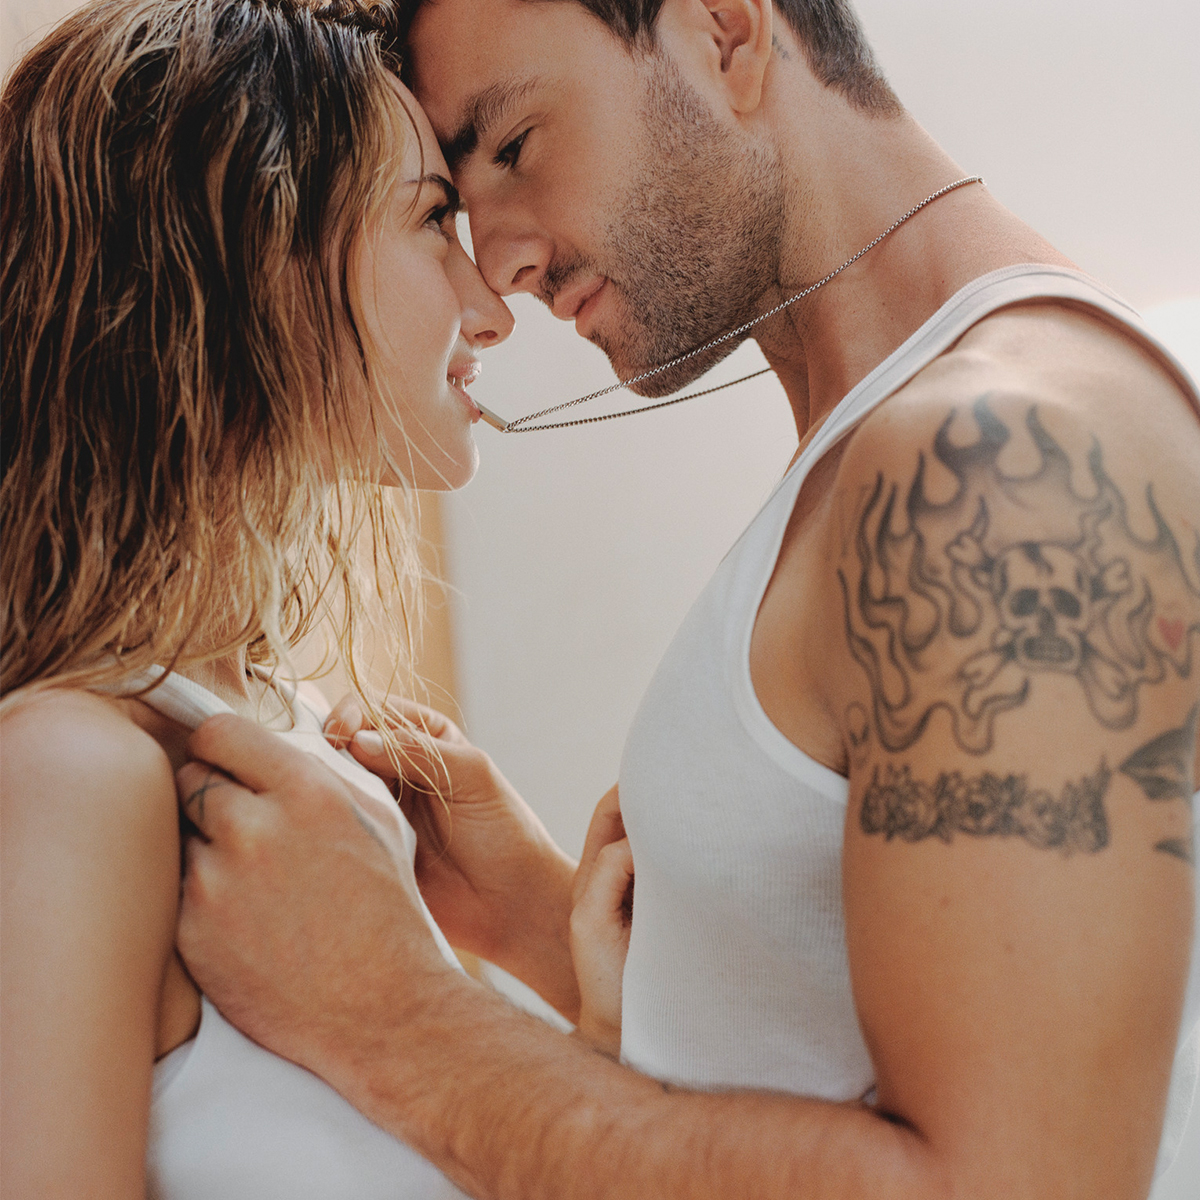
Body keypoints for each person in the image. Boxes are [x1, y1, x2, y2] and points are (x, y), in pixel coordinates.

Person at [170, 1, 1200, 1197]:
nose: (497, 265)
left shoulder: (987, 469)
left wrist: (395, 1021)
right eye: (452, 199)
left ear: (725, 32)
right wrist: (540, 921)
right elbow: (842, 1048)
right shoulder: (892, 454)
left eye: (514, 146)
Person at [0, 1, 544, 1196]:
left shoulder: (300, 751)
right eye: (431, 219)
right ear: (259, 262)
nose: (494, 307)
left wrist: (544, 931)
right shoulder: (73, 777)